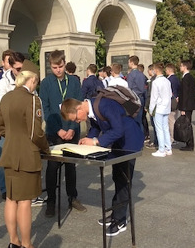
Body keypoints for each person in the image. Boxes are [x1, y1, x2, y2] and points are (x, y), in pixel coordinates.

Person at [60, 96, 143, 237]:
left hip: (130, 141)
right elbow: (97, 126)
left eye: (75, 118)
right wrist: (88, 140)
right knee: (117, 177)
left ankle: (120, 220)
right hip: (118, 142)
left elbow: (118, 130)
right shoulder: (92, 109)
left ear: (79, 108)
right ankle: (116, 213)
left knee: (124, 181)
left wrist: (95, 142)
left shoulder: (104, 105)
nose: (77, 121)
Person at [0, 64, 50, 248]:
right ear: (32, 79)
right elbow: (36, 132)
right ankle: (27, 244)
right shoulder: (33, 100)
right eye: (36, 81)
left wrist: (13, 138)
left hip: (9, 153)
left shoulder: (6, 97)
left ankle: (13, 241)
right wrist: (46, 148)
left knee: (11, 199)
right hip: (27, 156)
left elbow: (0, 127)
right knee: (25, 201)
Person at [39, 50, 86, 218]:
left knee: (71, 166)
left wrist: (72, 127)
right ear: (50, 66)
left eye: (60, 66)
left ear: (65, 64)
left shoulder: (73, 82)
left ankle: (72, 197)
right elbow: (45, 109)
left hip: (72, 129)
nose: (58, 70)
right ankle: (51, 201)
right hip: (54, 131)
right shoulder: (46, 83)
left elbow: (79, 105)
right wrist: (58, 129)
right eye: (54, 67)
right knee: (52, 167)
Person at [0, 51, 25, 200]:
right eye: (18, 69)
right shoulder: (3, 83)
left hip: (24, 129)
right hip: (9, 128)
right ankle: (5, 188)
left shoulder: (27, 79)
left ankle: (19, 185)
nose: (20, 72)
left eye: (22, 69)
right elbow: (3, 107)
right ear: (11, 67)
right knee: (5, 159)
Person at [149, 63, 173, 157]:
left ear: (156, 70)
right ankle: (168, 148)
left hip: (159, 108)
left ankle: (161, 149)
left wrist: (151, 109)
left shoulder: (156, 82)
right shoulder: (167, 81)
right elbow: (170, 94)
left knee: (159, 129)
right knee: (165, 128)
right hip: (166, 107)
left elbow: (154, 97)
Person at [177, 59, 195, 151]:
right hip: (190, 104)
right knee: (188, 124)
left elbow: (185, 94)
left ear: (185, 67)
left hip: (187, 105)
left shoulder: (185, 78)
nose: (180, 67)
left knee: (187, 125)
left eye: (181, 66)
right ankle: (189, 143)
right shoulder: (191, 78)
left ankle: (189, 144)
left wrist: (183, 108)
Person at [127, 56, 146, 130]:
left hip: (133, 98)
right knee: (140, 120)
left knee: (134, 120)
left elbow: (129, 88)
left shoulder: (131, 74)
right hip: (141, 97)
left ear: (131, 63)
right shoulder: (141, 74)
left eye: (129, 62)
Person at [165, 63, 180, 144]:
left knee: (170, 120)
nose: (166, 71)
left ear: (169, 70)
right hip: (176, 100)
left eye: (166, 70)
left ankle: (172, 138)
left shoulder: (169, 80)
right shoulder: (177, 79)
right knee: (174, 118)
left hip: (171, 101)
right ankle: (174, 136)